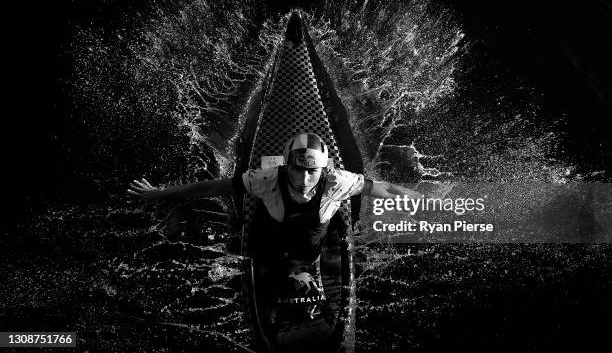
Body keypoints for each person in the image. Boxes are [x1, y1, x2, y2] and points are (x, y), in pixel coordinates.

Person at [128, 133, 441, 307]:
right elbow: (213, 187)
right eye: (296, 169)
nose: (304, 178)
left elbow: (381, 188)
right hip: (271, 247)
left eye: (312, 171)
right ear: (285, 165)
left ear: (323, 169)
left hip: (312, 248)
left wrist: (423, 203)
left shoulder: (336, 181)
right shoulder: (266, 177)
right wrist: (160, 193)